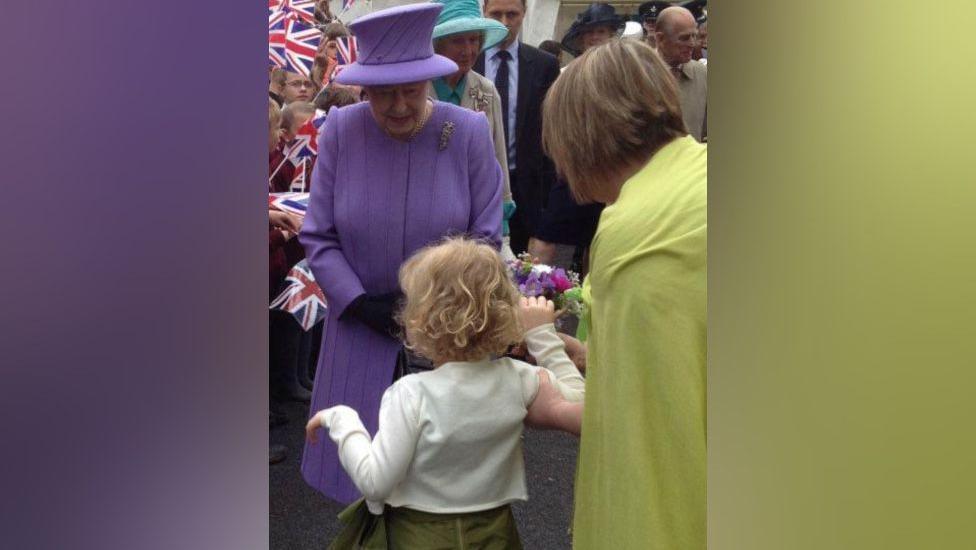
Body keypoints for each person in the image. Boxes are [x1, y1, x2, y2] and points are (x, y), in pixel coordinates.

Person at [299, 3, 505, 505]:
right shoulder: (343, 130)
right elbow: (318, 235)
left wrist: (441, 306)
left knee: (438, 488)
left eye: (410, 91)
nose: (397, 106)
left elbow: (486, 236)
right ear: (363, 89)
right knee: (356, 482)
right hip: (359, 333)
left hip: (447, 338)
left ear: (430, 80)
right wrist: (357, 301)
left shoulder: (468, 132)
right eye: (382, 94)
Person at [306, 237, 585, 547]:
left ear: (421, 320)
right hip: (495, 535)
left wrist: (343, 421)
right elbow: (581, 402)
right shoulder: (520, 379)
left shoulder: (412, 394)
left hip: (420, 537)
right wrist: (543, 338)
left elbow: (374, 483)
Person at [538, 39, 706, 549]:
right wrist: (596, 356)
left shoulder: (634, 229)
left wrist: (557, 408)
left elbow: (650, 435)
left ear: (580, 139)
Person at [429, 0, 516, 260]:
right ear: (437, 44)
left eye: (474, 40)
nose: (468, 50)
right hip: (428, 217)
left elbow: (497, 159)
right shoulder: (417, 90)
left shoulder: (486, 91)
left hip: (477, 216)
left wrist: (503, 225)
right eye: (457, 41)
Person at [477, 0, 561, 256]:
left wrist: (549, 205)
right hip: (479, 184)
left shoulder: (543, 65)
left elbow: (551, 134)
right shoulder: (468, 61)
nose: (504, 22)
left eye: (512, 14)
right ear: (484, 13)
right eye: (496, 14)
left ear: (523, 14)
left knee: (528, 275)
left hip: (528, 189)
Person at [656, 6, 707, 141]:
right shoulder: (638, 74)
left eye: (694, 36)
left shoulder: (702, 74)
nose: (692, 43)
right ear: (660, 39)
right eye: (684, 38)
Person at [559, 2, 625, 58]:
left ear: (611, 35)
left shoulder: (622, 69)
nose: (594, 37)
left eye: (601, 31)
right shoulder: (569, 71)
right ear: (582, 38)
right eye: (589, 31)